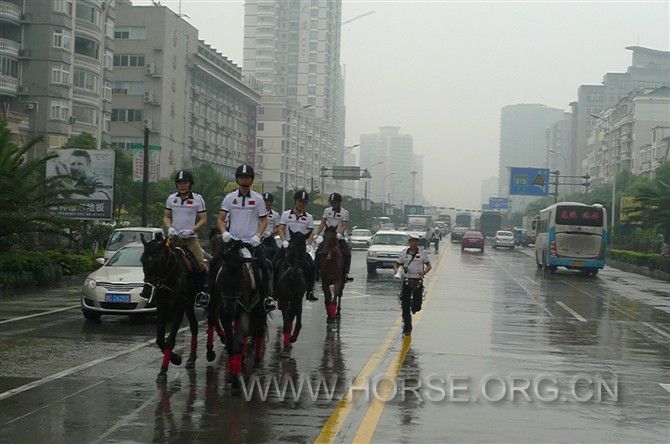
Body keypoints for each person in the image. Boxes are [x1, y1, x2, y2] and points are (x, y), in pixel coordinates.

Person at [139, 170, 208, 300]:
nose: (182, 185)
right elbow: (166, 216)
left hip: (190, 239)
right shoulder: (172, 198)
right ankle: (154, 290)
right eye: (180, 183)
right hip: (173, 238)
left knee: (200, 264)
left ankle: (199, 293)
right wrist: (169, 228)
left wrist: (192, 230)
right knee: (158, 262)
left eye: (185, 183)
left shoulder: (198, 199)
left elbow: (203, 219)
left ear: (190, 184)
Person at [215, 164, 271, 301]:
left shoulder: (258, 199)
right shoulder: (229, 198)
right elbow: (221, 219)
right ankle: (210, 298)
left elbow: (264, 221)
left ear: (251, 180)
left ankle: (265, 299)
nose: (244, 180)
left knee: (265, 266)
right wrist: (224, 233)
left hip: (251, 243)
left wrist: (258, 236)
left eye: (247, 178)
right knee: (213, 263)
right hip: (233, 242)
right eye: (241, 177)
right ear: (237, 179)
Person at [277, 190, 317, 301]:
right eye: (300, 201)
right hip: (288, 246)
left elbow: (310, 233)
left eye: (304, 202)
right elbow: (281, 228)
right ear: (295, 201)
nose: (302, 204)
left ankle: (310, 291)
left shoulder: (309, 217)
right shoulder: (286, 214)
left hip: (301, 248)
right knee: (274, 263)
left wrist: (309, 244)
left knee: (312, 266)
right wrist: (284, 240)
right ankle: (273, 292)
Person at [393, 233, 432, 338]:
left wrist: (424, 273)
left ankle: (413, 306)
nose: (414, 243)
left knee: (417, 307)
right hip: (407, 281)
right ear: (409, 242)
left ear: (417, 242)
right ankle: (407, 328)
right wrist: (397, 271)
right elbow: (397, 264)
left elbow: (429, 266)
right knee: (405, 307)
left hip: (418, 282)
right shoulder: (404, 253)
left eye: (416, 241)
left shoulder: (422, 253)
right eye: (412, 241)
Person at [314, 192, 353, 282]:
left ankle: (346, 272)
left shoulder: (344, 212)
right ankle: (316, 271)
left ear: (339, 203)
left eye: (334, 203)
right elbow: (323, 223)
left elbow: (344, 225)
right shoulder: (327, 211)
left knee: (347, 253)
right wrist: (317, 233)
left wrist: (339, 233)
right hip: (328, 237)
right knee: (318, 251)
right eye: (331, 202)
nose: (332, 204)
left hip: (339, 238)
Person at [261, 192, 280, 260]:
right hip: (257, 236)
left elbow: (278, 227)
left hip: (269, 239)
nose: (266, 203)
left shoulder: (275, 214)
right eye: (265, 201)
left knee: (277, 252)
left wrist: (271, 232)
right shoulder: (256, 213)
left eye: (268, 201)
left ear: (271, 202)